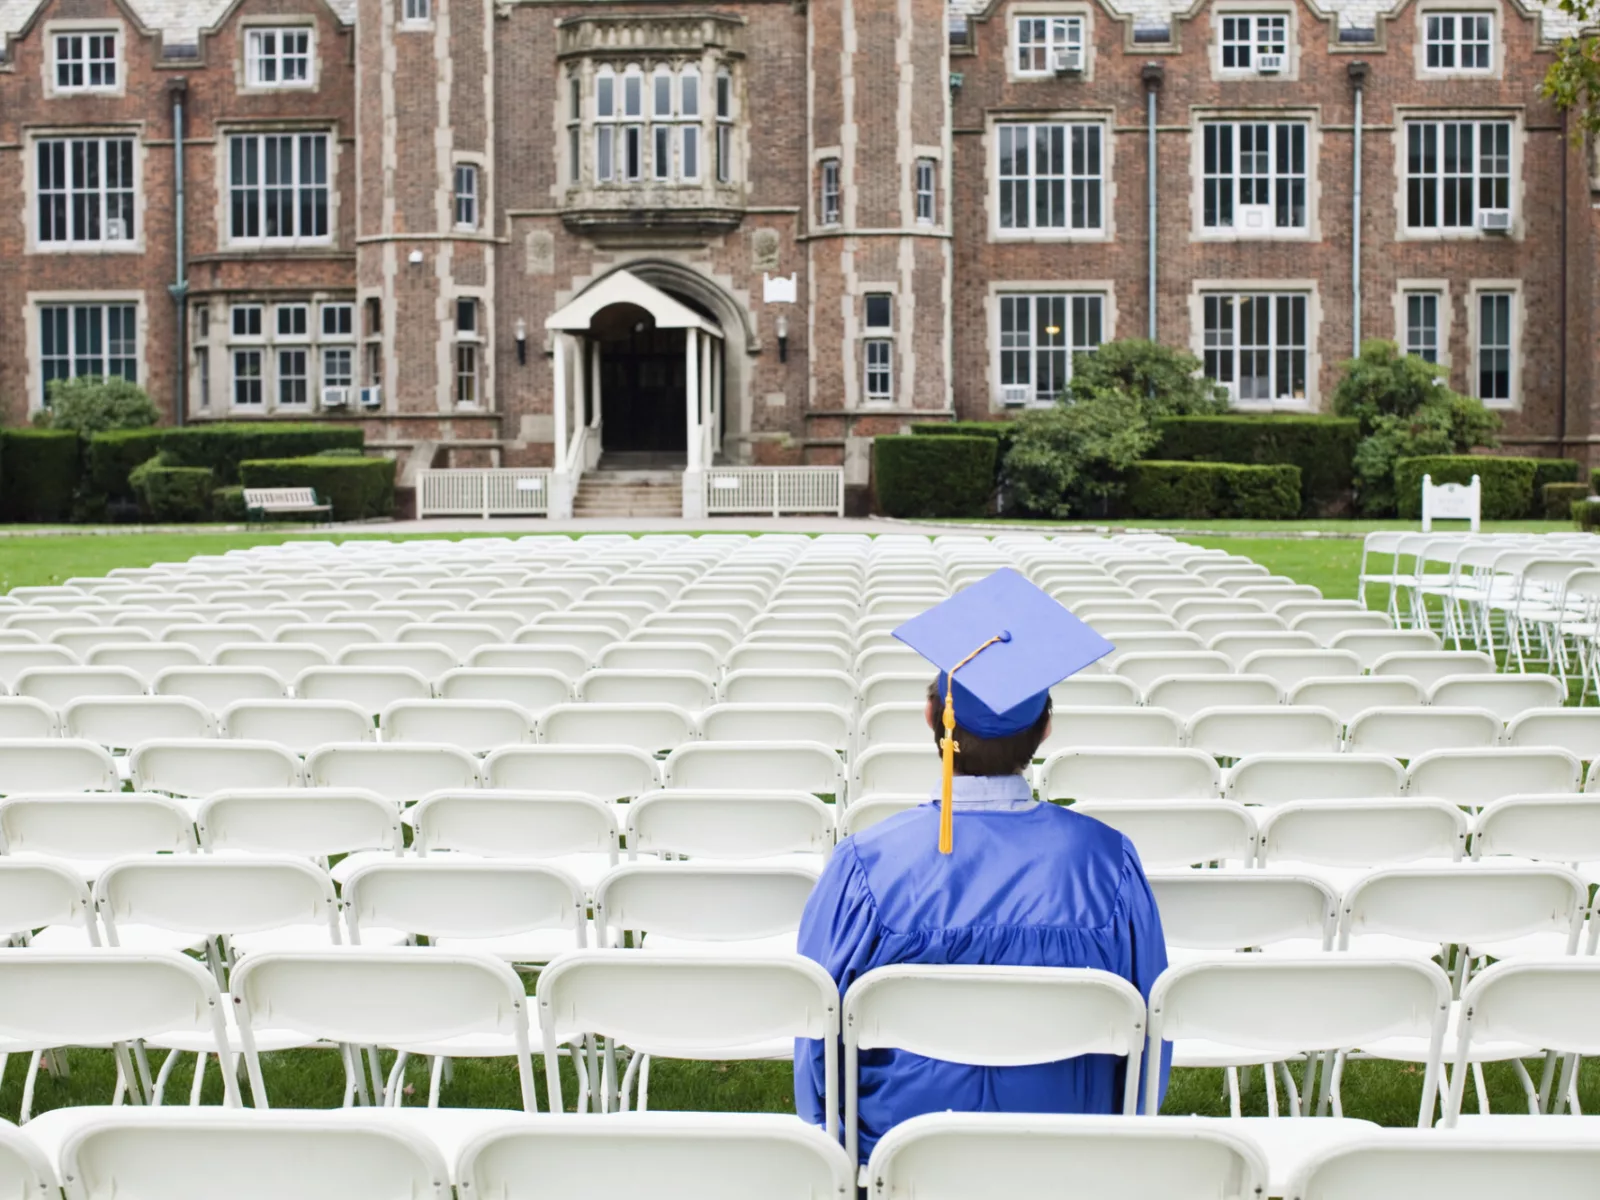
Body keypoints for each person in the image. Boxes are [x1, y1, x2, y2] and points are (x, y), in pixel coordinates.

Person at [794, 568, 1169, 1162]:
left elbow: (817, 1042)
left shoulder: (866, 864)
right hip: (1068, 1156)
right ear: (1045, 730)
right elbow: (1151, 1040)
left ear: (931, 721)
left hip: (903, 1156)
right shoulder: (1109, 865)